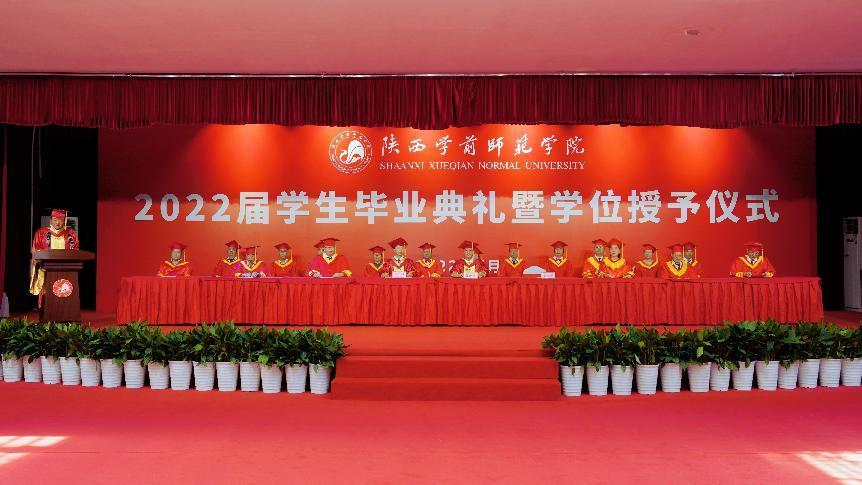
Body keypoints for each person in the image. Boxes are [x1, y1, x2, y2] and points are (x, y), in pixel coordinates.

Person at [30, 209, 80, 296]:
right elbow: (36, 250)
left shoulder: (70, 234)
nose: (57, 222)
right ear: (50, 220)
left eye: (60, 220)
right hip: (45, 269)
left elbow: (75, 250)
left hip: (66, 269)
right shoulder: (41, 232)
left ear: (64, 221)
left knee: (64, 292)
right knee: (47, 293)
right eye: (55, 220)